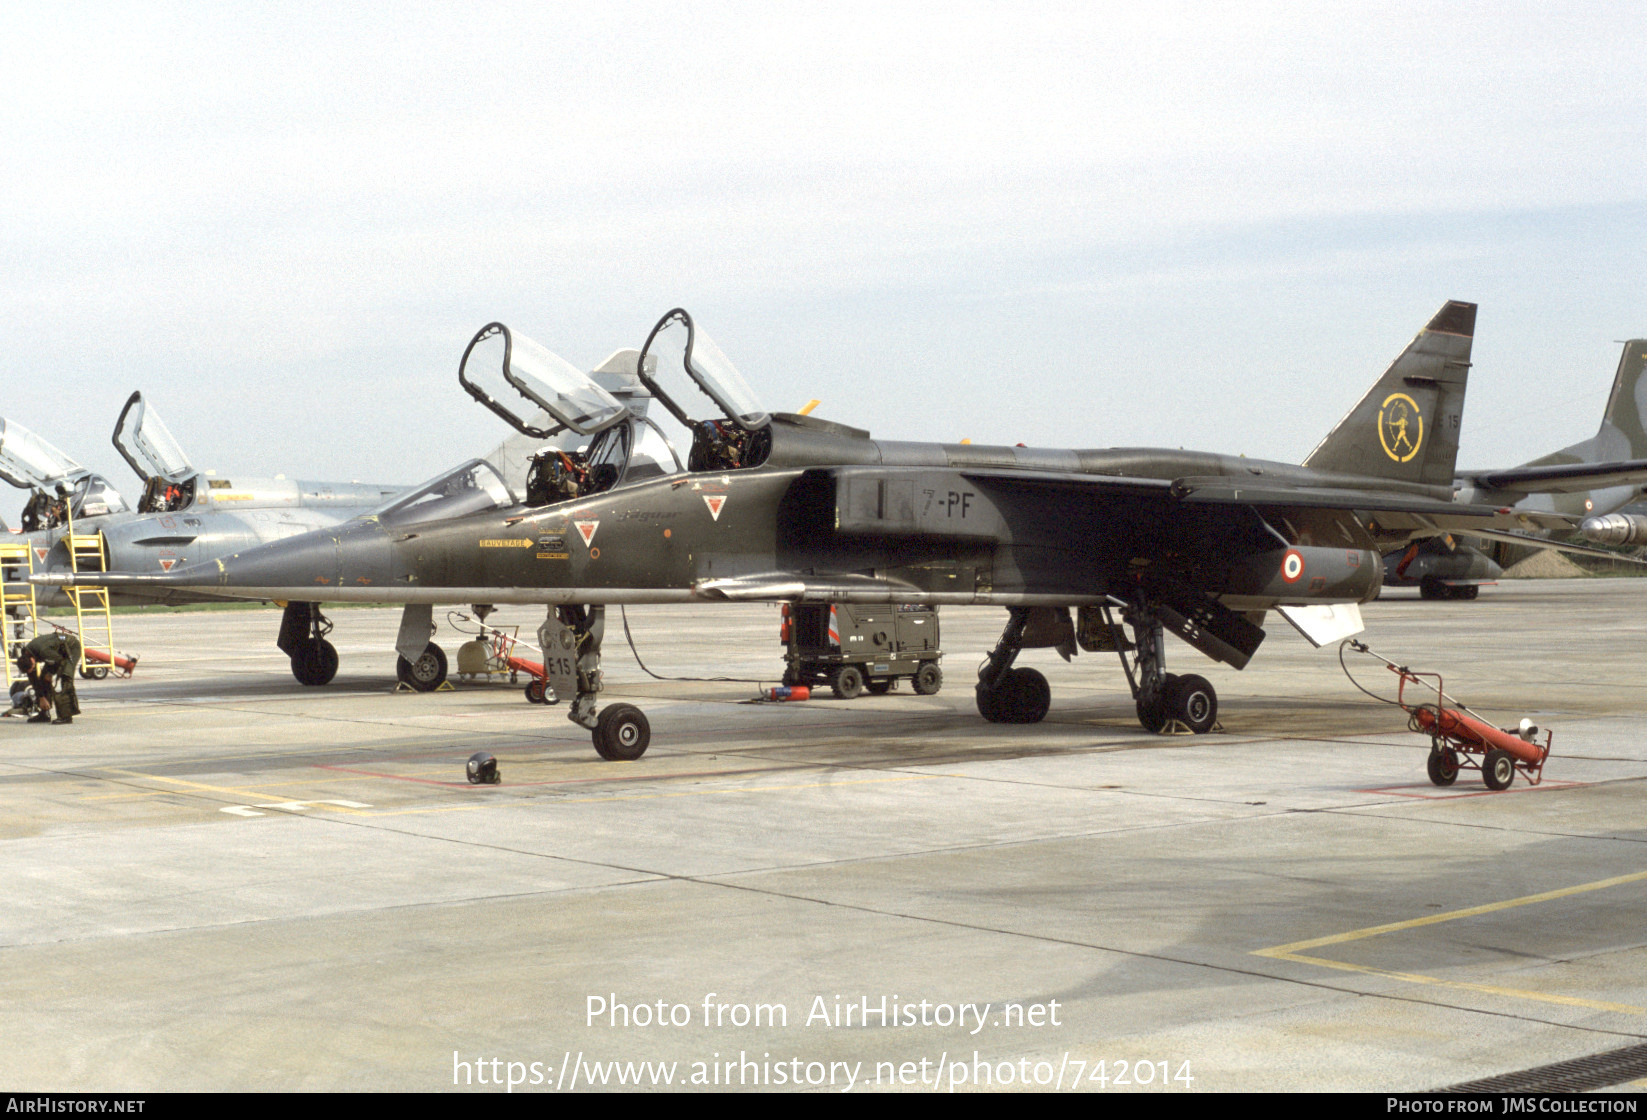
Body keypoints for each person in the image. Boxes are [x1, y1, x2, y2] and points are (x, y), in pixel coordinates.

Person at [16, 632, 82, 725]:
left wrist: (50, 673)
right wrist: (42, 698)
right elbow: (34, 680)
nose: (32, 670)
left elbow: (60, 660)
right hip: (55, 653)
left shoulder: (43, 651)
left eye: (32, 667)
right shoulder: (26, 657)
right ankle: (44, 713)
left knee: (64, 677)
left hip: (71, 648)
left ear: (32, 660)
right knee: (43, 679)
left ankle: (66, 716)